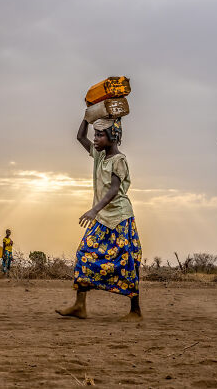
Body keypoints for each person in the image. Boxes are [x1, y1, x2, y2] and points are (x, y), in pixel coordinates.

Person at [56, 117, 142, 321]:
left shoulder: (119, 160)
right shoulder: (99, 156)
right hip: (103, 216)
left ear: (113, 137)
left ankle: (135, 310)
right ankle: (80, 306)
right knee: (84, 253)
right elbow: (79, 136)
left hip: (120, 217)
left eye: (100, 134)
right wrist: (87, 118)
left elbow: (113, 189)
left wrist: (94, 210)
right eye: (95, 134)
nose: (95, 138)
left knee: (127, 260)